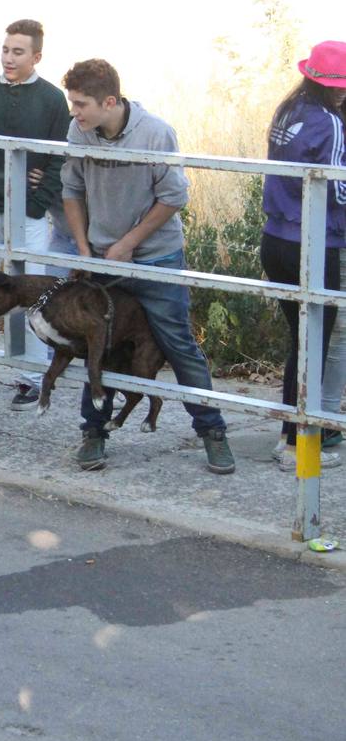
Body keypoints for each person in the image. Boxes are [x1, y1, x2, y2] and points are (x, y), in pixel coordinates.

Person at [61, 58, 234, 474]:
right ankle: (94, 431)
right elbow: (72, 189)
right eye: (72, 103)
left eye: (81, 104)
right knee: (98, 346)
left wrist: (128, 243)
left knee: (178, 345)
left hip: (155, 257)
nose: (74, 112)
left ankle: (212, 431)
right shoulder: (79, 130)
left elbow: (174, 196)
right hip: (103, 258)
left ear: (109, 101)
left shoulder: (156, 133)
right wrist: (84, 249)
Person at [0, 19, 72, 409]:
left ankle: (30, 375)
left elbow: (63, 153)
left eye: (18, 51)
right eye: (6, 50)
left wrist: (40, 198)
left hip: (29, 210)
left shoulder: (52, 99)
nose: (9, 58)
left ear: (36, 56)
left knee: (30, 290)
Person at [262, 42, 346, 472]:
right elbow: (335, 187)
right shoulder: (330, 123)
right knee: (312, 344)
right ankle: (303, 451)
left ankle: (288, 438)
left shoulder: (288, 111)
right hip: (313, 244)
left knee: (300, 340)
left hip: (274, 238)